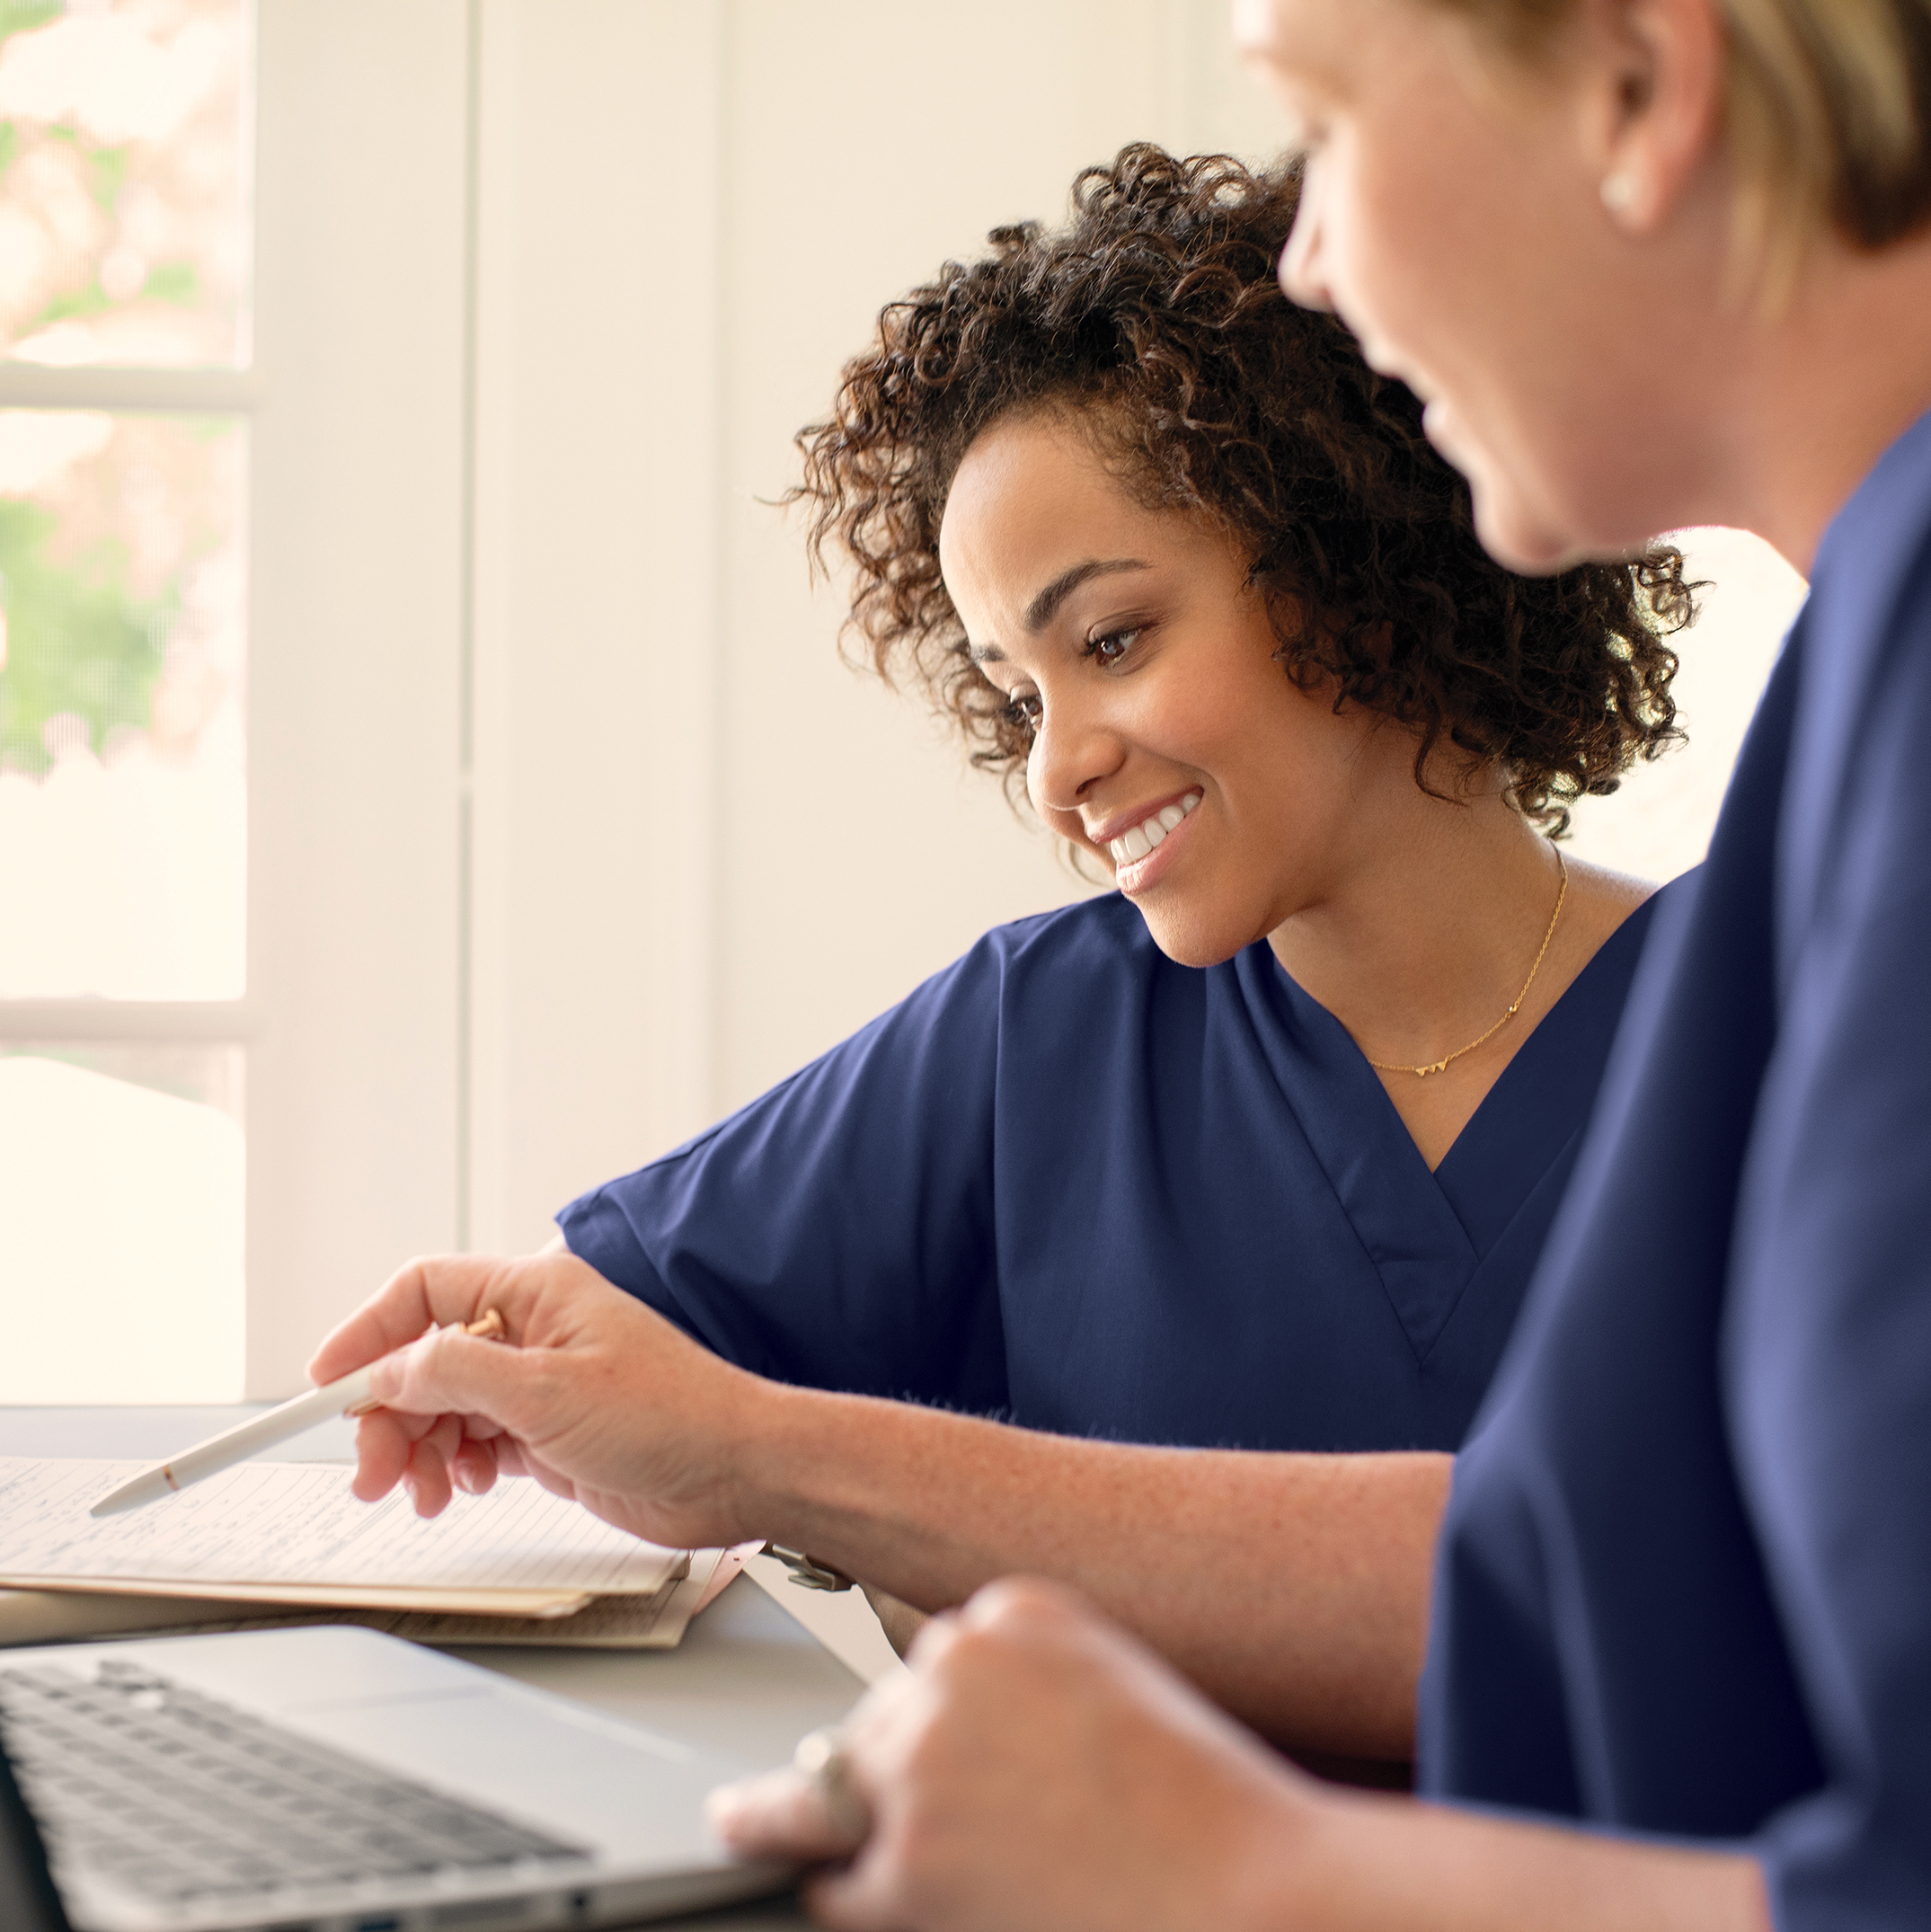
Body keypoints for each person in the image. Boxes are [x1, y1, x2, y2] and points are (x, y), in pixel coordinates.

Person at [331, 0, 1931, 1925]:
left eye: (1333, 123)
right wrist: (772, 1455)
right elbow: (1561, 1587)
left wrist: (1233, 1881)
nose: (1304, 270)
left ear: (1641, 82)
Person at [310, 148, 1696, 1759]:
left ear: (1360, 566)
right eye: (1018, 689)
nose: (1055, 768)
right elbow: (626, 1358)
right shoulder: (1035, 1034)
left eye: (1110, 640)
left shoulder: (1773, 1028)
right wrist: (505, 1357)